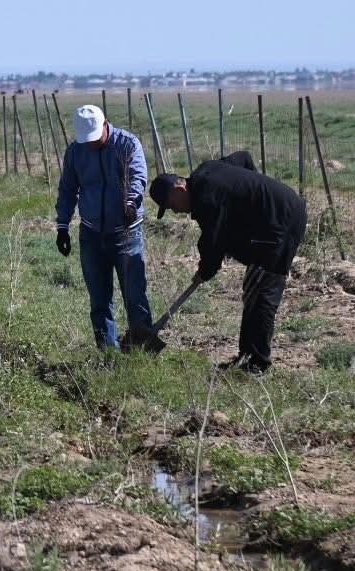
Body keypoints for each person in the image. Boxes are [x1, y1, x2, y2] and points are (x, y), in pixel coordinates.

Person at [150, 151, 308, 374]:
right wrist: (254, 196)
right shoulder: (207, 170)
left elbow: (213, 243)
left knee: (262, 296)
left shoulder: (206, 199)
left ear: (179, 189)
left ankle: (257, 365)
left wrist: (205, 271)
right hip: (276, 216)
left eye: (171, 205)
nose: (175, 211)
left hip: (281, 222)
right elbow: (244, 158)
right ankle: (246, 358)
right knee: (252, 291)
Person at [55, 104, 160, 353]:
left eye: (95, 138)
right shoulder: (76, 151)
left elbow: (137, 177)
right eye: (86, 140)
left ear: (106, 124)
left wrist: (131, 204)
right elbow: (67, 189)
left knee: (135, 296)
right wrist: (62, 226)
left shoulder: (127, 144)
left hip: (126, 233)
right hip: (91, 234)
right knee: (99, 300)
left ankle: (143, 351)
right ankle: (108, 354)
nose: (91, 144)